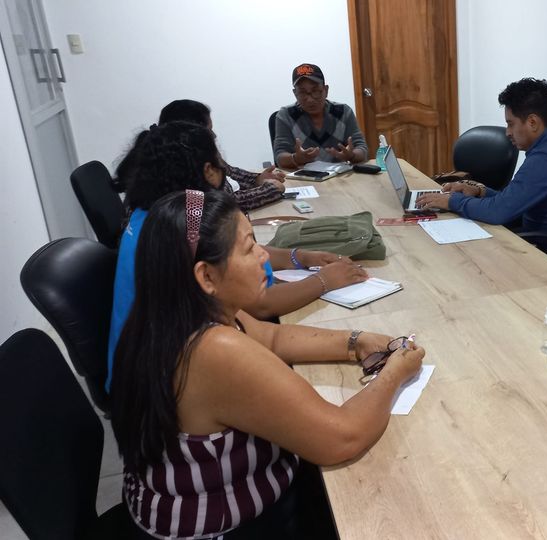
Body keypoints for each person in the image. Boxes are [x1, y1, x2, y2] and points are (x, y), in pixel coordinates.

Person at [111, 189, 424, 538]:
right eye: (249, 248)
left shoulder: (174, 312)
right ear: (206, 277)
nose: (263, 256)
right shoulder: (213, 350)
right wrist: (395, 372)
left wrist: (356, 341)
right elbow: (342, 438)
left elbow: (273, 337)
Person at [107, 122, 368, 390]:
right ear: (208, 171)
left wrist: (298, 256)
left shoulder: (156, 217)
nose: (260, 254)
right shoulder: (180, 233)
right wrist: (324, 281)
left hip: (142, 369)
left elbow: (266, 329)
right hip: (157, 387)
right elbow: (261, 304)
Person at [416, 78, 547, 240]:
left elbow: (497, 212)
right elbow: (514, 200)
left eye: (511, 124)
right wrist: (479, 191)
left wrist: (450, 201)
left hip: (544, 249)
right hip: (541, 233)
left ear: (532, 122)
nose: (508, 132)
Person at [158, 99, 287, 211]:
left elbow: (228, 170)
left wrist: (256, 179)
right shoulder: (182, 167)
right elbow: (220, 205)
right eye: (209, 130)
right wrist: (269, 191)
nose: (214, 135)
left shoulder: (191, 154)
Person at [273, 63, 368, 168]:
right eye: (302, 93)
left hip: (339, 175)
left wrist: (352, 155)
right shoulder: (286, 116)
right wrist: (296, 158)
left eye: (315, 91)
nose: (310, 99)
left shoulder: (343, 112)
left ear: (326, 90)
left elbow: (361, 148)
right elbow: (280, 156)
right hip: (304, 176)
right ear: (295, 93)